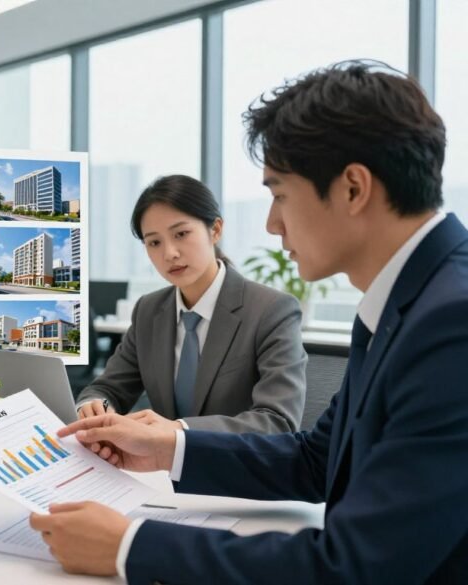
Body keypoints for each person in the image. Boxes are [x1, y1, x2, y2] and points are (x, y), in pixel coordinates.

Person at [30, 61, 467, 584]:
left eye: (280, 194)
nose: (272, 223)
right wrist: (167, 448)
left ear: (353, 188)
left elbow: (360, 566)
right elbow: (315, 460)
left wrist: (130, 547)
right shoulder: (401, 306)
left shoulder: (452, 323)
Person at [76, 174, 306, 433]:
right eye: (154, 242)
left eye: (181, 234)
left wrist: (177, 432)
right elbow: (107, 388)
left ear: (215, 230)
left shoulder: (271, 310)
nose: (169, 253)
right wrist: (94, 405)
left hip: (232, 459)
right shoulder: (148, 311)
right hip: (156, 460)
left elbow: (277, 421)